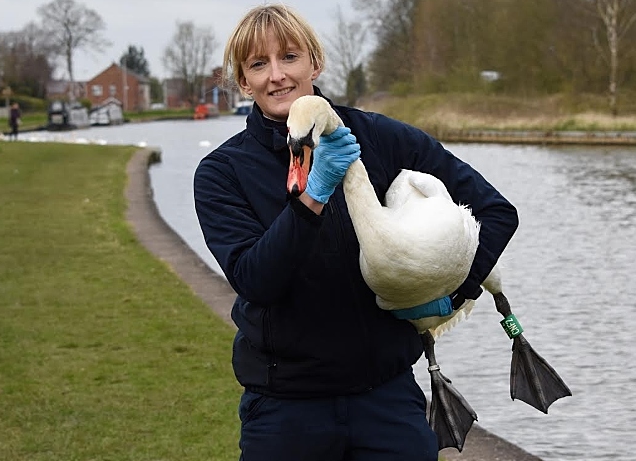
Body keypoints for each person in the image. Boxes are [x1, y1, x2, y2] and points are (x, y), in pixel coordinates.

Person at [193, 4, 519, 461]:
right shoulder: (222, 173)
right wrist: (312, 197)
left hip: (385, 399)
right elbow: (255, 281)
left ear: (314, 62)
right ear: (244, 82)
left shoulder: (381, 138)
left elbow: (496, 211)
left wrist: (454, 292)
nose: (277, 76)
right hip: (286, 408)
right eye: (258, 64)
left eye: (289, 57)